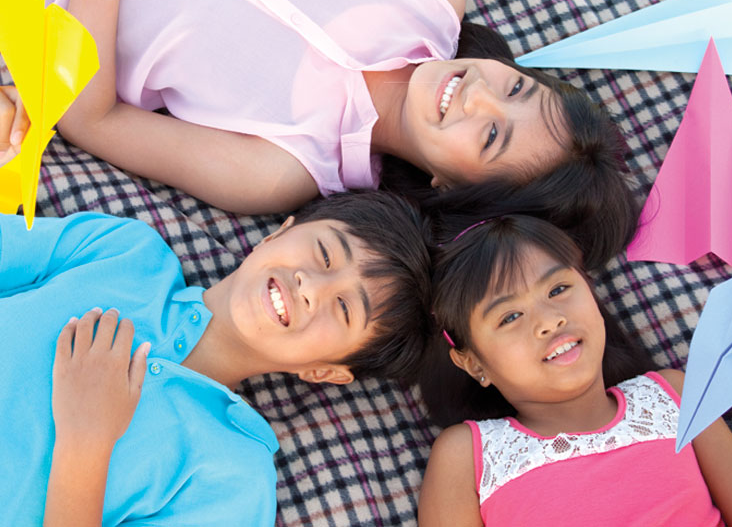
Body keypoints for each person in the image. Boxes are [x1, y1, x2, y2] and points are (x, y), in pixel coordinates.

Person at [0, 0, 637, 266]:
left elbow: (92, 117)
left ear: (451, 187)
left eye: (492, 135)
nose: (481, 95)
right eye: (518, 87)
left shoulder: (283, 169)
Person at [0, 190, 433, 526]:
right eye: (324, 253)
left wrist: (86, 443)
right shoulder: (125, 251)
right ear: (278, 232)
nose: (310, 285)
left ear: (323, 371)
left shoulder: (233, 480)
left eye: (344, 309)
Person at [416, 215, 732, 526]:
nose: (549, 322)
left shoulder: (671, 396)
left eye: (558, 290)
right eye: (510, 316)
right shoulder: (468, 456)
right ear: (473, 363)